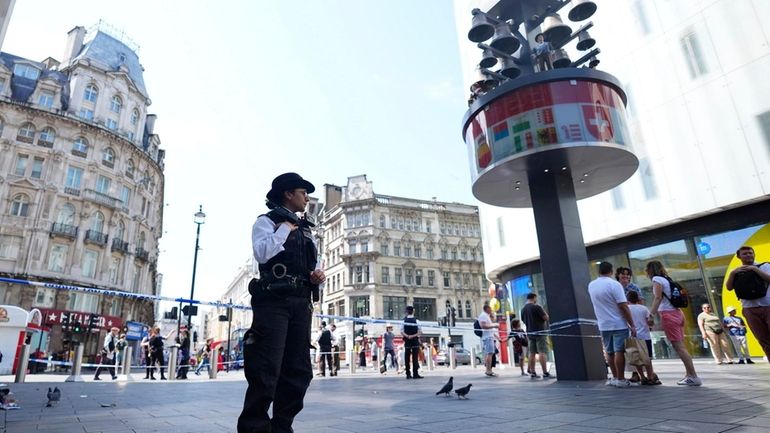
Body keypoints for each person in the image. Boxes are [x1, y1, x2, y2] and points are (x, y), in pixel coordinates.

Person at [238, 172, 325, 433]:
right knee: (266, 368)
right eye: (303, 192)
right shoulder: (267, 222)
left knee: (299, 371)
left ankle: (282, 427)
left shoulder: (308, 229)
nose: (307, 198)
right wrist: (285, 228)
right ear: (288, 193)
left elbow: (313, 263)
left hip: (301, 303)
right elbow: (263, 253)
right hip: (273, 301)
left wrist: (317, 275)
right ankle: (254, 428)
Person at [647, 260, 701, 386]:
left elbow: (658, 298)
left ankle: (693, 376)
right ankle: (689, 375)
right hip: (678, 313)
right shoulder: (667, 279)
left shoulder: (657, 280)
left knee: (680, 348)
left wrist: (651, 315)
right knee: (682, 346)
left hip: (668, 315)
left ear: (649, 270)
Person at [588, 262, 637, 388]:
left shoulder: (591, 285)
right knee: (619, 351)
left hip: (603, 324)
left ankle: (615, 377)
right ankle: (621, 379)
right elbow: (623, 306)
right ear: (611, 271)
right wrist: (632, 324)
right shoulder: (614, 284)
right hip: (618, 323)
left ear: (599, 271)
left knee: (609, 352)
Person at [726, 246, 770, 360]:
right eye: (745, 254)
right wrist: (733, 273)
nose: (749, 255)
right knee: (762, 339)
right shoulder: (736, 271)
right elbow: (729, 287)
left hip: (767, 306)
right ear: (739, 256)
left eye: (750, 253)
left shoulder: (764, 266)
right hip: (749, 309)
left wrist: (755, 269)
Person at [626, 290, 659, 385]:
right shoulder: (644, 308)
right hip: (645, 336)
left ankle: (642, 377)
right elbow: (650, 322)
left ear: (627, 299)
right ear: (638, 299)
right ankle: (650, 377)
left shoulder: (626, 309)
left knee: (635, 359)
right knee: (647, 359)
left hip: (632, 336)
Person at [520, 293, 551, 379]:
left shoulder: (523, 309)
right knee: (542, 352)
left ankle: (533, 372)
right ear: (534, 298)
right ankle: (545, 372)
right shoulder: (537, 307)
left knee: (532, 353)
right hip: (540, 332)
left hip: (530, 333)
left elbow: (523, 320)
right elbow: (546, 318)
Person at [401, 305, 423, 379]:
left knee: (407, 357)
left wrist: (407, 336)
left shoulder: (403, 321)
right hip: (415, 341)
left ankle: (408, 374)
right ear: (413, 311)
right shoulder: (417, 321)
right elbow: (420, 331)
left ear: (406, 312)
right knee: (415, 358)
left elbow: (402, 331)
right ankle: (415, 373)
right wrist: (413, 335)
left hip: (407, 340)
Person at [477, 304, 499, 377]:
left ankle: (489, 369)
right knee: (489, 353)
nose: (491, 310)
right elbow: (483, 326)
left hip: (489, 337)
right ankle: (488, 370)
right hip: (488, 337)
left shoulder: (486, 316)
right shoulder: (483, 315)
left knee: (490, 353)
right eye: (490, 309)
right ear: (487, 309)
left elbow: (489, 328)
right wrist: (494, 325)